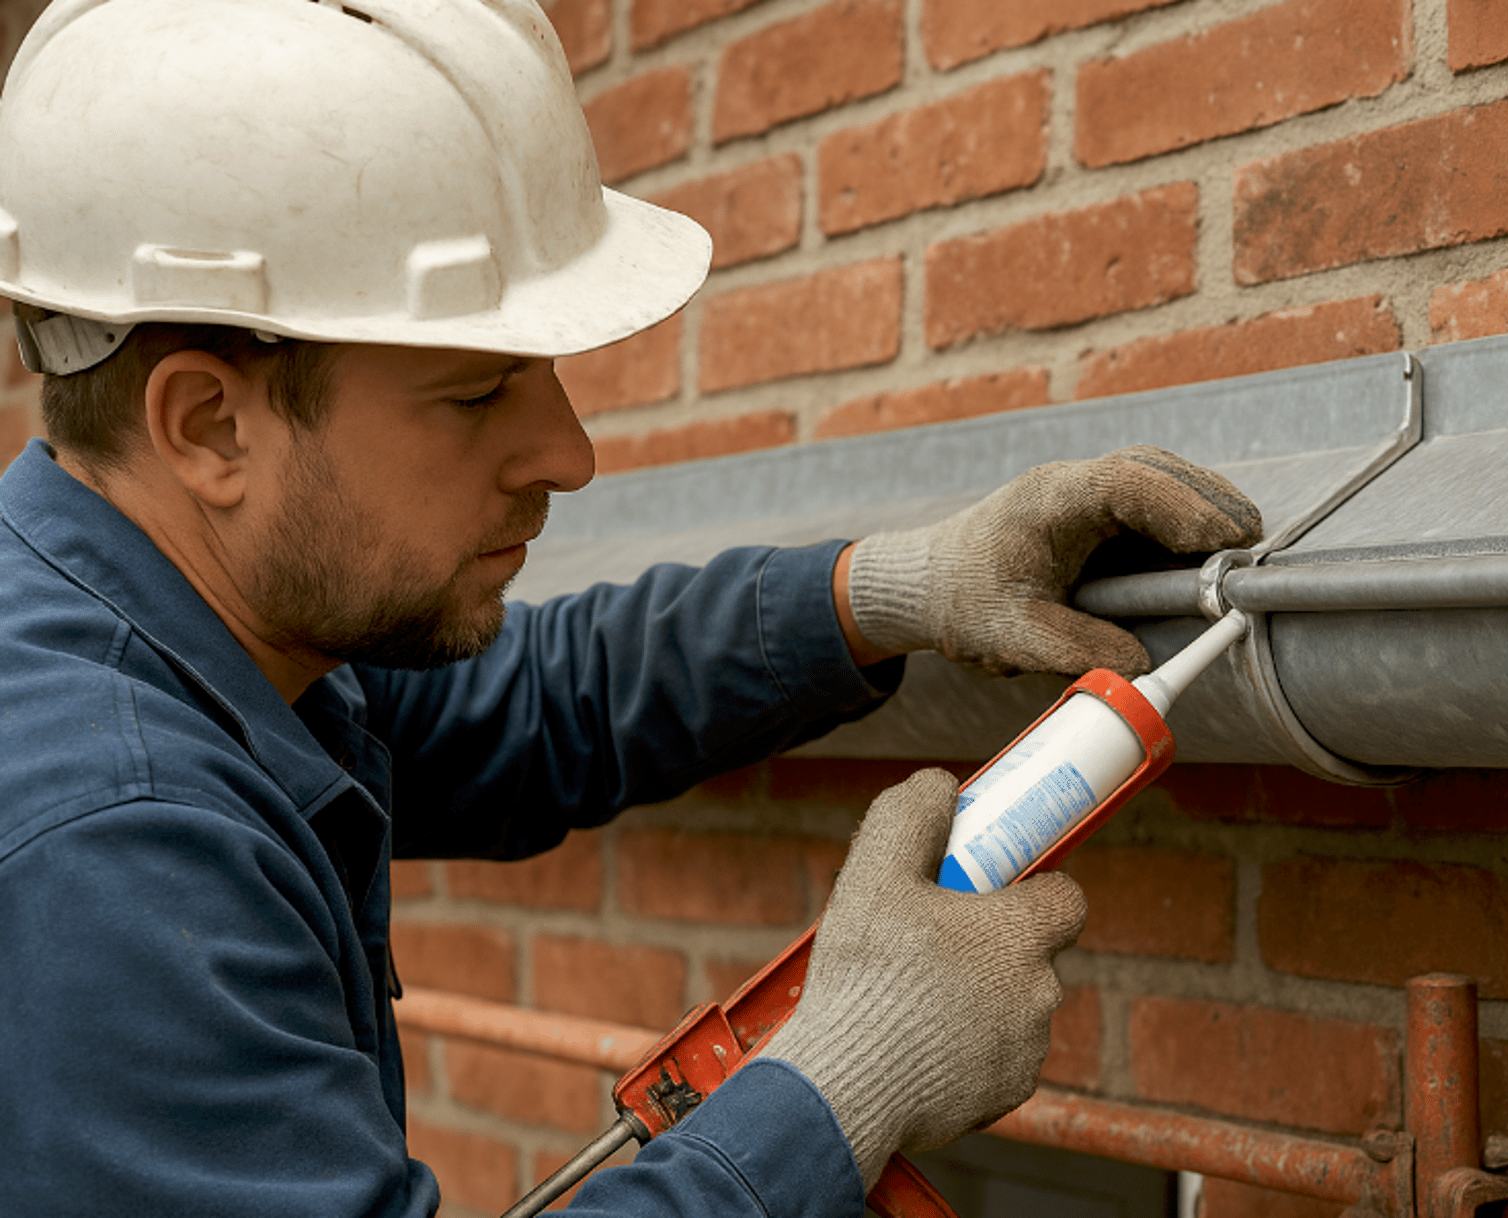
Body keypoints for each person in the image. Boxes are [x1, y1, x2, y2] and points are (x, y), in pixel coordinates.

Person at [0, 1, 1264, 1215]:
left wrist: (891, 591)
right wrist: (839, 1091)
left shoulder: (183, 630)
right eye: (480, 390)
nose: (569, 450)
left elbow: (534, 703)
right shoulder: (106, 844)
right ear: (211, 426)